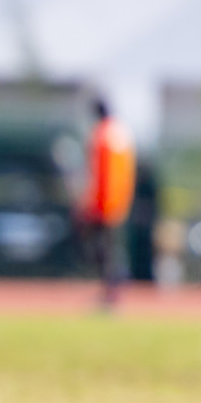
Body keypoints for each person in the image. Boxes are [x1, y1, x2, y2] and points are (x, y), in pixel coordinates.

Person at [81, 97, 135, 311]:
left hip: (103, 203)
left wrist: (90, 202)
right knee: (110, 248)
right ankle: (115, 282)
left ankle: (114, 282)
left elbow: (98, 174)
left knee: (101, 249)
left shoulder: (101, 135)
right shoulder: (120, 133)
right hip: (118, 201)